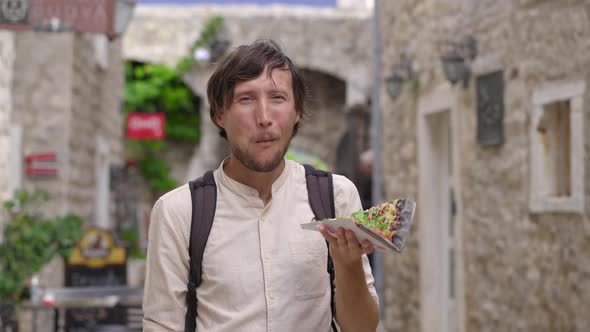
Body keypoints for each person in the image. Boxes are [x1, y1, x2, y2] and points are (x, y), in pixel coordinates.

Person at [142, 40, 380, 332]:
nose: (264, 118)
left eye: (278, 98)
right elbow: (162, 325)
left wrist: (349, 266)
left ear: (297, 112)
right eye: (246, 99)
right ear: (219, 114)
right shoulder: (179, 212)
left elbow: (362, 328)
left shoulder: (336, 196)